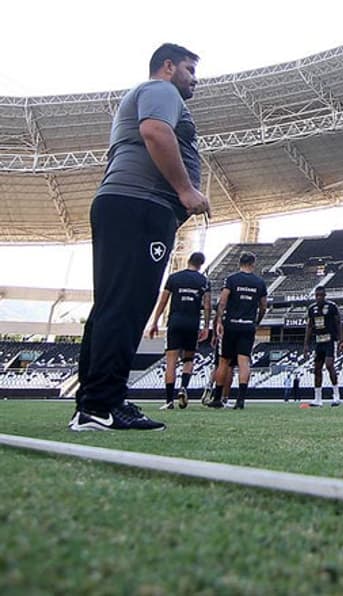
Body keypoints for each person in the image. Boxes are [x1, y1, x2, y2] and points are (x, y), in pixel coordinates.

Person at [70, 43, 209, 432]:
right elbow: (154, 131)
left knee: (112, 306)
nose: (195, 79)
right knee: (127, 307)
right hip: (141, 205)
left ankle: (94, 402)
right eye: (189, 69)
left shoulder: (147, 93)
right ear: (168, 66)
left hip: (124, 204)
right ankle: (101, 405)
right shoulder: (160, 91)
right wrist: (186, 191)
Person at [148, 252, 211, 410]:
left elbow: (163, 301)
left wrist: (154, 322)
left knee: (171, 362)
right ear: (201, 264)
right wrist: (206, 326)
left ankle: (169, 401)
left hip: (175, 322)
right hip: (192, 323)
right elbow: (208, 305)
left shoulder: (174, 278)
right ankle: (183, 387)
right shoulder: (204, 281)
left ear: (189, 261)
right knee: (189, 359)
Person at [206, 252, 268, 410]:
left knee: (224, 361)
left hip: (231, 324)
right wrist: (257, 322)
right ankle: (240, 400)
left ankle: (217, 397)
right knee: (243, 362)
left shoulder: (232, 279)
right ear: (253, 264)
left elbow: (222, 302)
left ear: (239, 263)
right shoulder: (259, 282)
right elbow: (263, 307)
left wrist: (219, 320)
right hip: (248, 325)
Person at [303, 286, 342, 407]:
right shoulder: (312, 309)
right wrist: (306, 344)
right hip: (319, 341)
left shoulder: (331, 307)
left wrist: (340, 340)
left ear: (325, 295)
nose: (319, 297)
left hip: (329, 340)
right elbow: (309, 327)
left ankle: (336, 396)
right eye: (317, 295)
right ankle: (318, 399)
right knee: (317, 369)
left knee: (329, 365)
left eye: (321, 295)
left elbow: (338, 323)